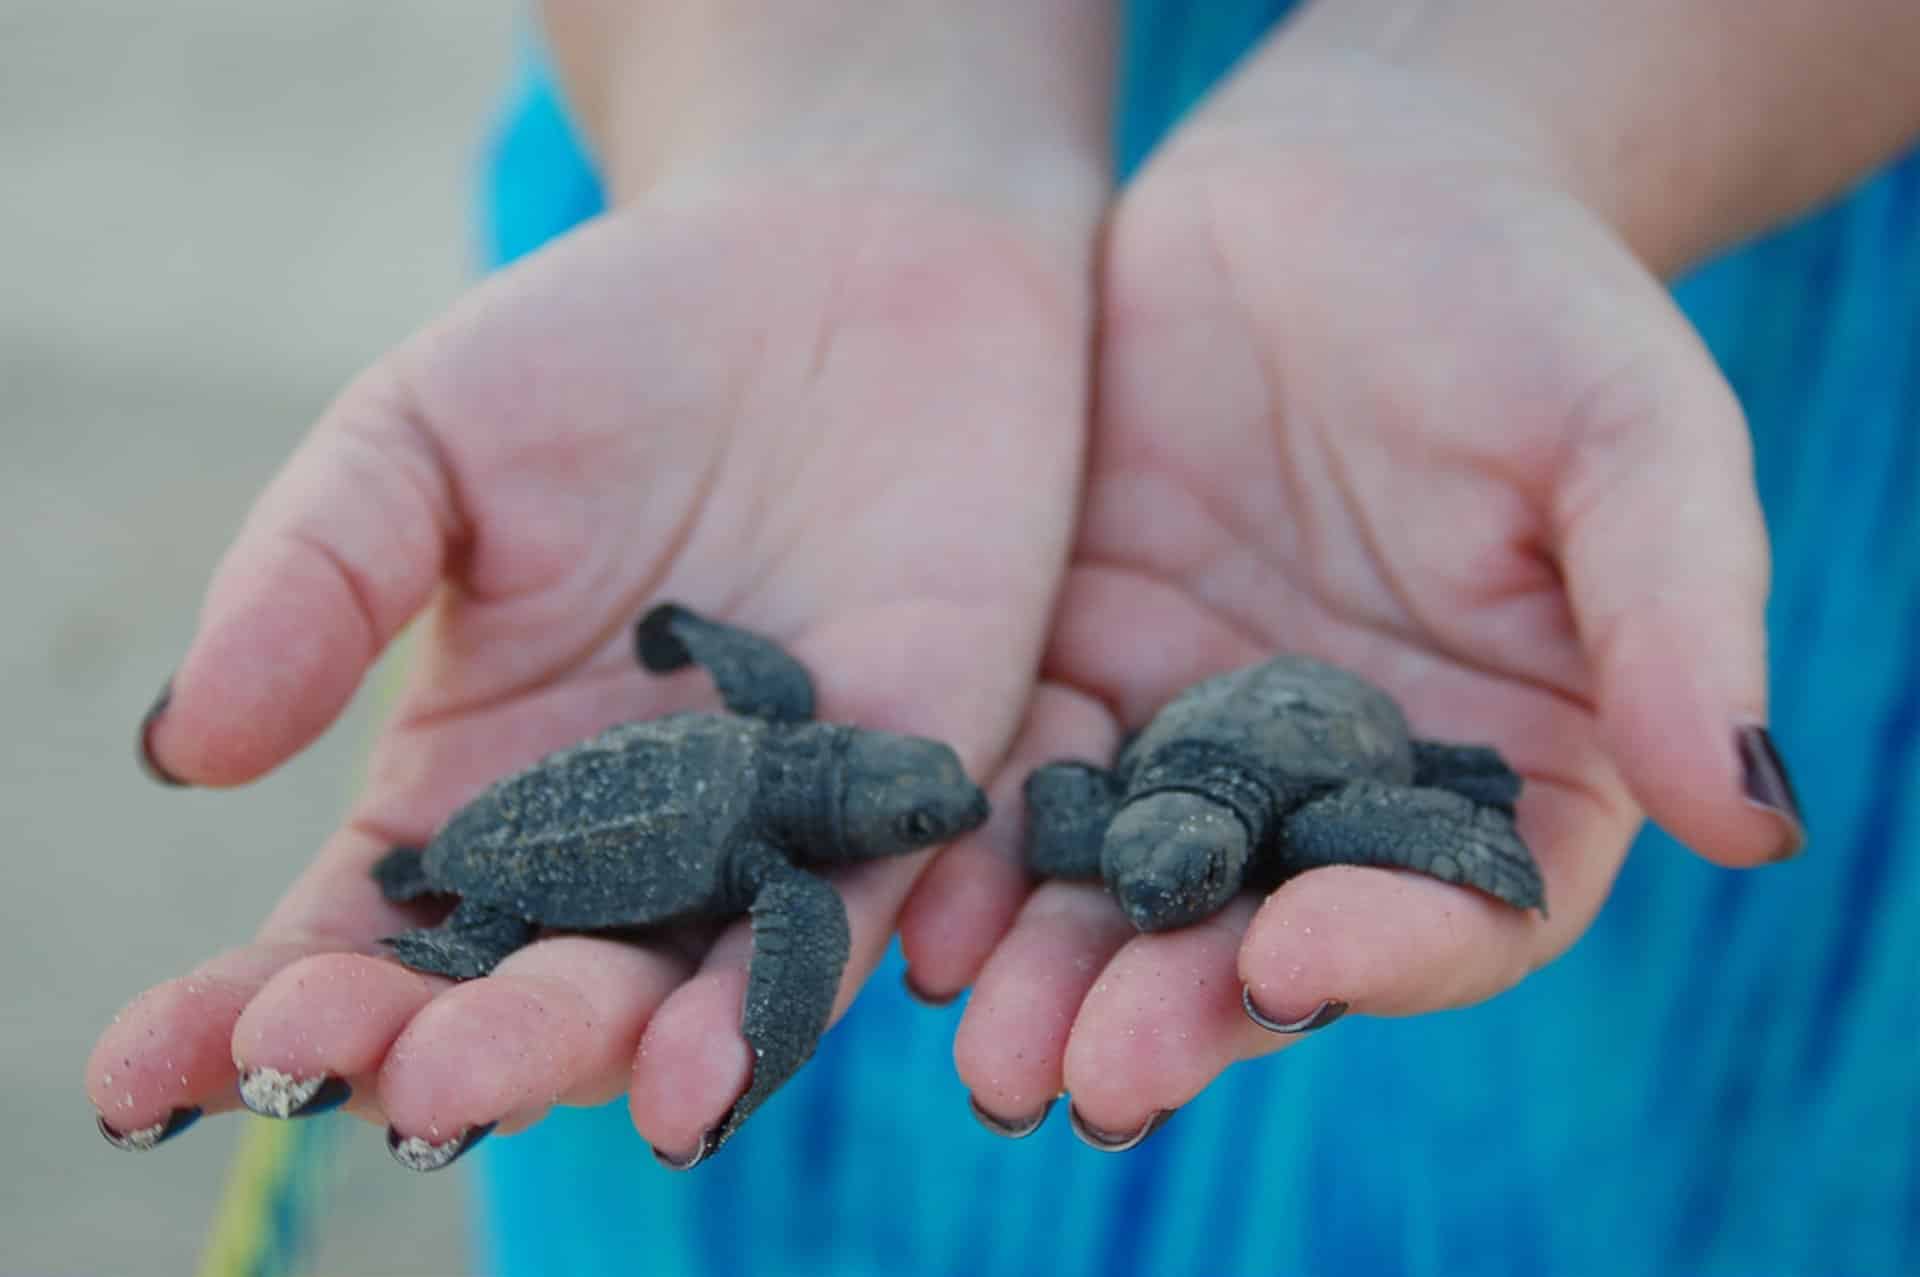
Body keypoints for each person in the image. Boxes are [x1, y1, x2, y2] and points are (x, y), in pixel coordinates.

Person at [93, 2, 1919, 1272]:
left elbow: (1307, 801)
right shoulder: (794, 855)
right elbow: (750, 721)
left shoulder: (880, 746)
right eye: (913, 808)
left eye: (921, 804)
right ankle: (459, 903)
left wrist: (1497, 111)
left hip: (1644, 221)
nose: (934, 807)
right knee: (620, 1016)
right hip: (775, 308)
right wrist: (846, 113)